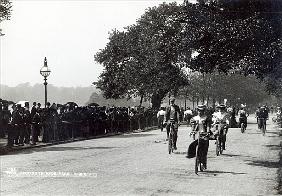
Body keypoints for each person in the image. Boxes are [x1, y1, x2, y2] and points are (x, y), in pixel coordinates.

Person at [186, 105, 212, 170]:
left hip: (204, 134)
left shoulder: (206, 118)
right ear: (197, 111)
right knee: (192, 145)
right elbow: (193, 126)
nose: (200, 112)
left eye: (202, 111)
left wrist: (208, 132)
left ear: (204, 111)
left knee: (204, 150)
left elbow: (208, 126)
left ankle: (204, 163)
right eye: (199, 111)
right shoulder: (194, 118)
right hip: (197, 134)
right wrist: (192, 131)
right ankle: (191, 154)